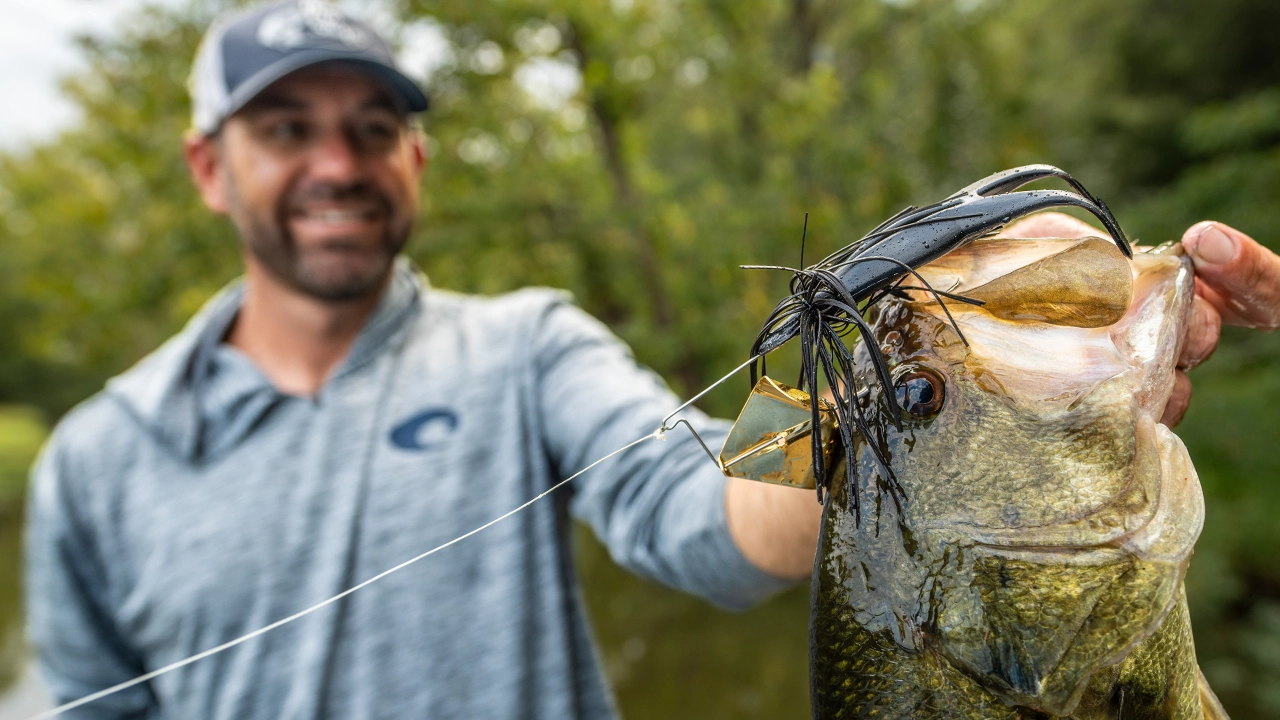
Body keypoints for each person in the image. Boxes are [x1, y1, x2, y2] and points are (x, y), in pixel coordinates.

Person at [23, 1, 1280, 718]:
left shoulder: (526, 344)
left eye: (372, 127)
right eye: (284, 129)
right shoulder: (95, 461)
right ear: (207, 166)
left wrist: (860, 370)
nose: (335, 164)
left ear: (414, 159)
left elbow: (714, 524)